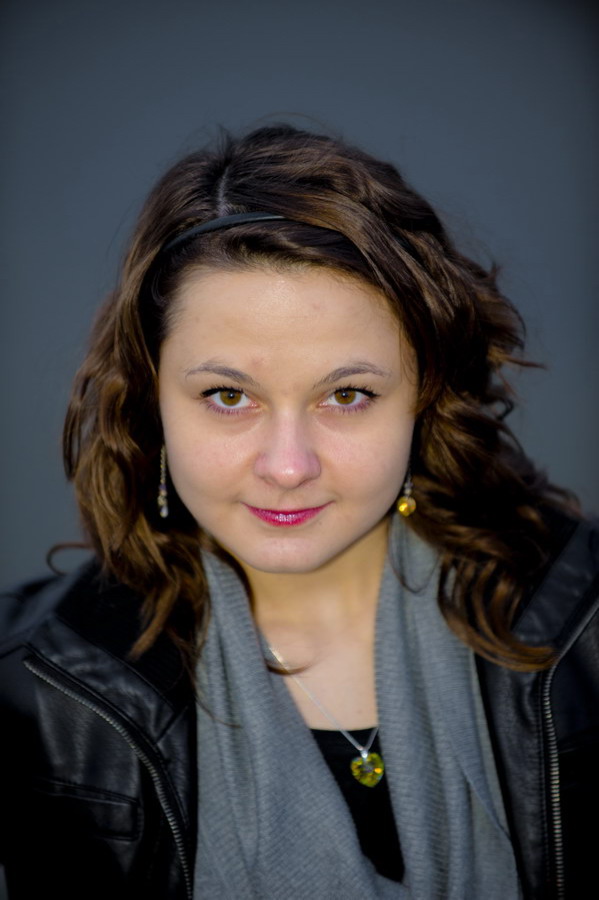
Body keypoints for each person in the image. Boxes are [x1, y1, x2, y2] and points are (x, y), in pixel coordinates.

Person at [0, 124, 597, 900]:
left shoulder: (583, 630)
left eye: (346, 395)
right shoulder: (32, 691)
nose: (288, 466)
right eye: (228, 396)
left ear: (424, 399)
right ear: (151, 402)